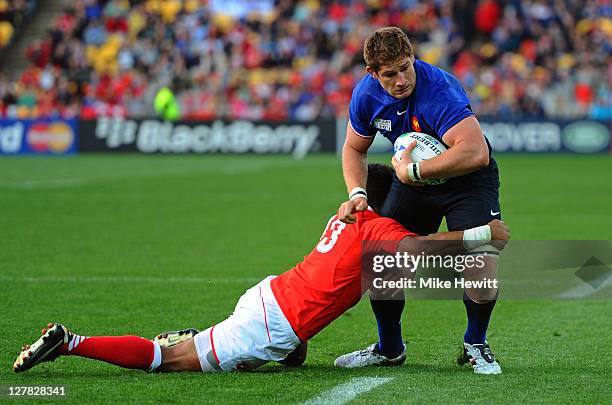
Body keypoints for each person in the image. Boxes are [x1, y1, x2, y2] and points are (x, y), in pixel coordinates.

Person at [13, 164, 509, 374]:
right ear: (387, 204)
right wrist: (483, 233)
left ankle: (237, 340)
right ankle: (72, 342)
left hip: (272, 293)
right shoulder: (375, 229)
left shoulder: (347, 215)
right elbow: (422, 249)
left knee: (283, 353)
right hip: (273, 319)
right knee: (170, 362)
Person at [336, 27, 504, 374]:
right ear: (372, 73)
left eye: (405, 67)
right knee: (382, 260)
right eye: (389, 73)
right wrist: (357, 192)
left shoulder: (438, 90)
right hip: (414, 183)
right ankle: (389, 348)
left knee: (482, 265)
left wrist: (415, 172)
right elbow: (354, 147)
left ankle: (475, 342)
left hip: (466, 183)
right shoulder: (366, 95)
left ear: (413, 57)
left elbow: (475, 152)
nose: (400, 80)